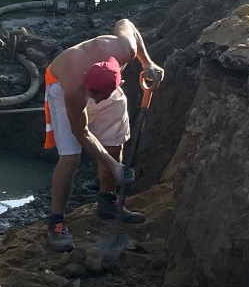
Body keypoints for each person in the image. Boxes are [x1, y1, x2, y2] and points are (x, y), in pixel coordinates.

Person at [42, 20, 164, 254]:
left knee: (114, 144)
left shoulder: (125, 49)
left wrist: (147, 62)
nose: (96, 101)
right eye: (94, 95)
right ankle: (56, 222)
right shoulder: (75, 88)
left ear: (120, 82)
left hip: (105, 83)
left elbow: (126, 23)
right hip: (61, 87)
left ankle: (108, 202)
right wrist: (114, 166)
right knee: (70, 157)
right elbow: (82, 133)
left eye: (101, 96)